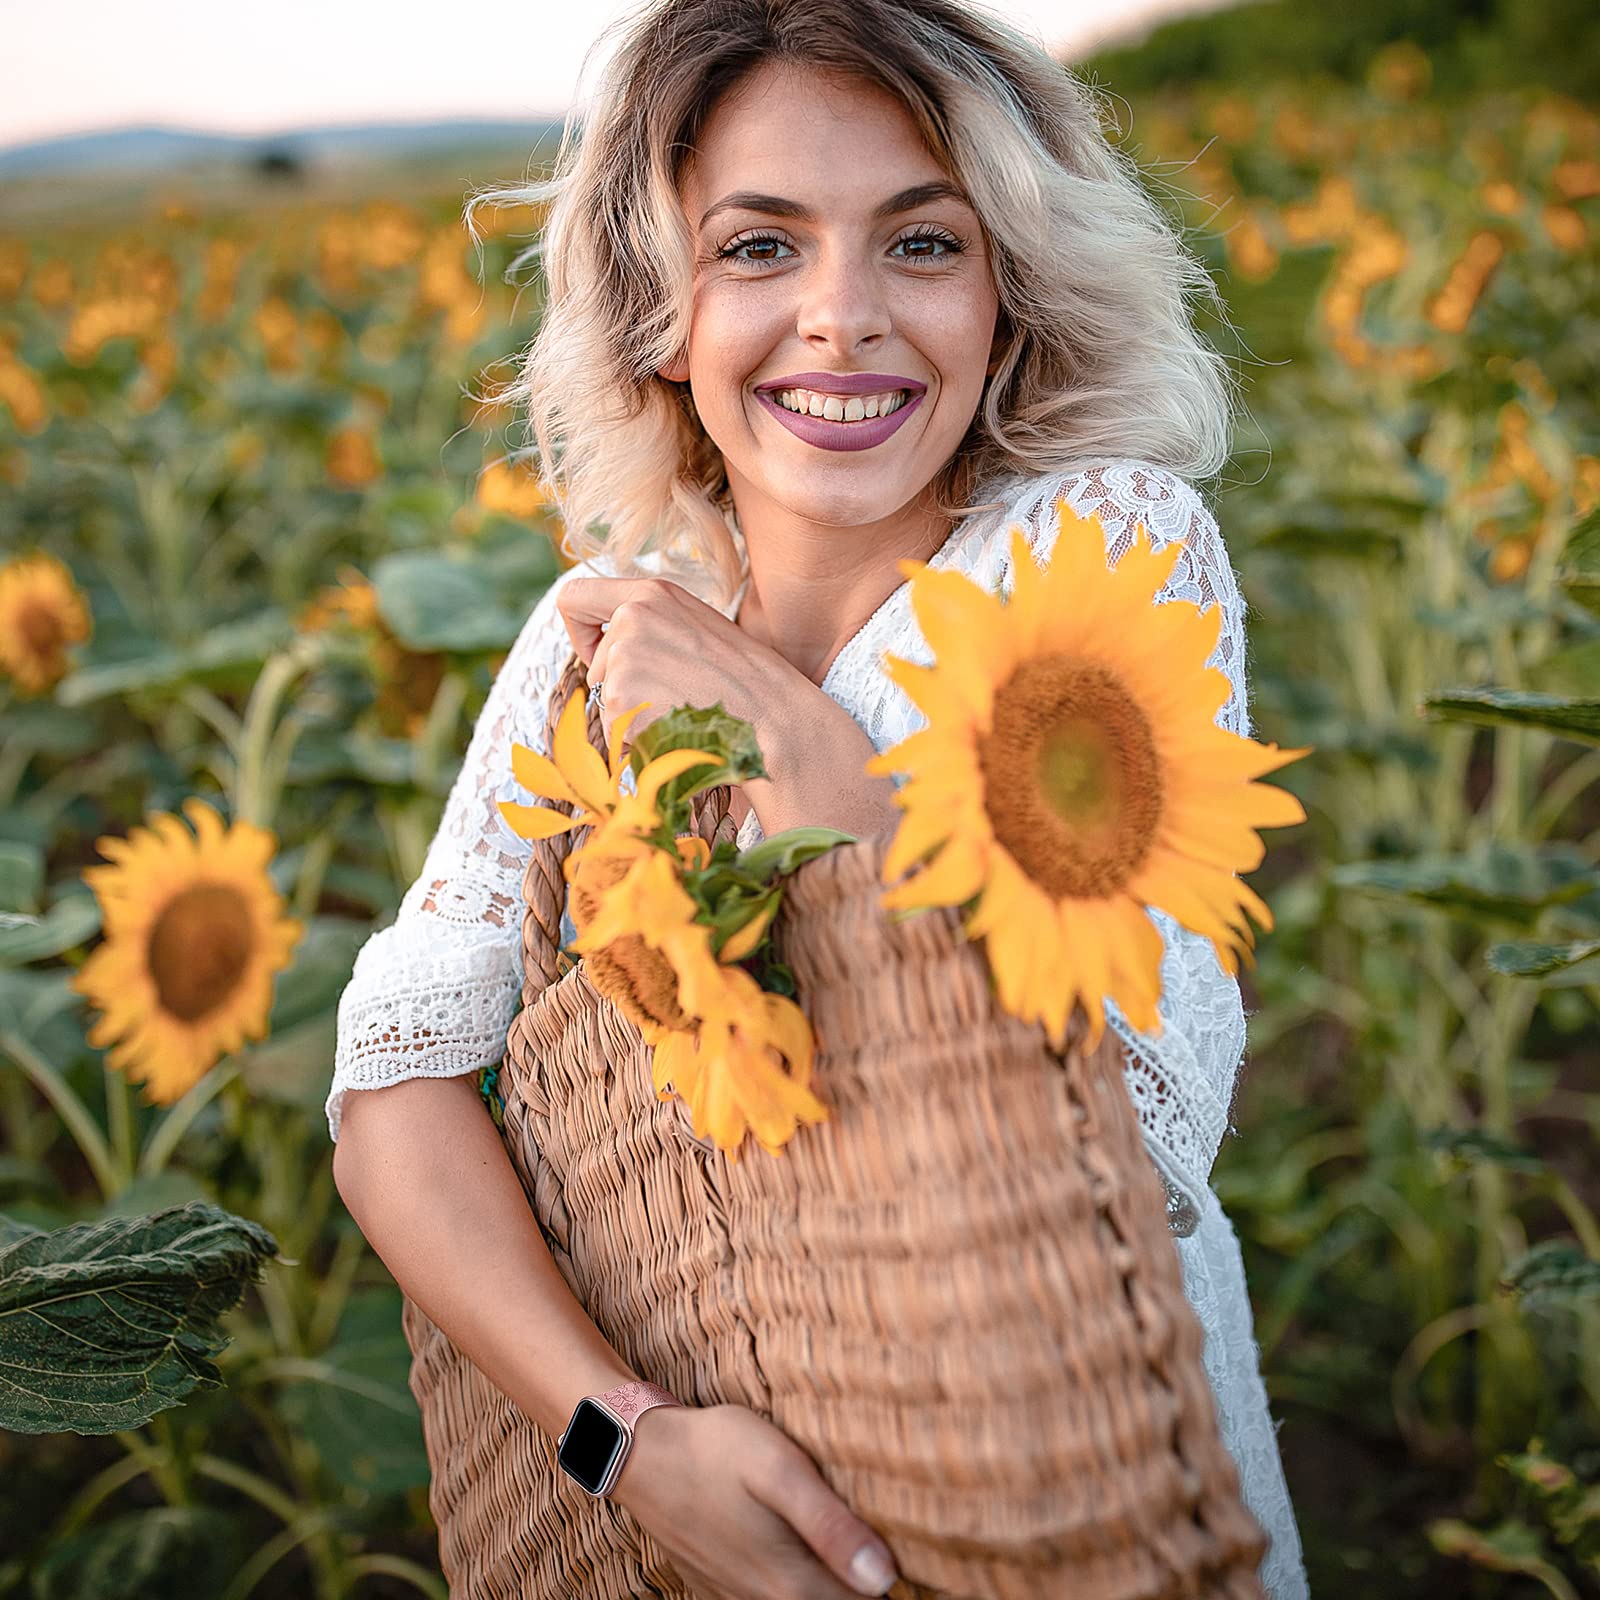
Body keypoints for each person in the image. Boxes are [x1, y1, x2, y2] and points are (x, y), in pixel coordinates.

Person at [330, 1, 1311, 1596]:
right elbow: (392, 1093)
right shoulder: (596, 628)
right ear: (662, 310)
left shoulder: (1100, 554)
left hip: (1063, 1483)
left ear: (1010, 294)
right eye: (761, 249)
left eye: (923, 245)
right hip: (695, 1513)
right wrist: (625, 1445)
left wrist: (773, 722)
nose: (843, 317)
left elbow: (1135, 1115)